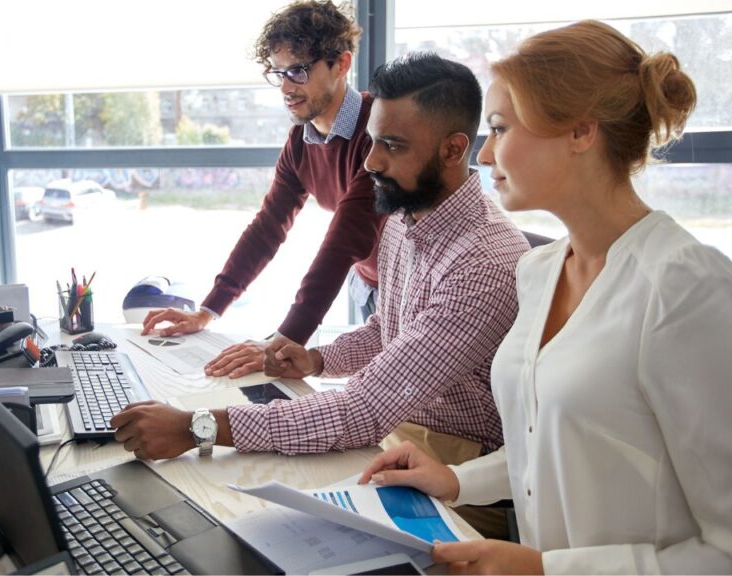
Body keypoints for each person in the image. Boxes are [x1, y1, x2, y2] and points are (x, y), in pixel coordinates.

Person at [358, 20, 732, 575]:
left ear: (581, 132)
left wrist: (546, 570)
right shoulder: (539, 270)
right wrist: (459, 479)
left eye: (501, 129)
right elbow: (549, 443)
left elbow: (724, 549)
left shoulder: (685, 288)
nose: (484, 157)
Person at [113, 53, 529, 470]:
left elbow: (363, 411)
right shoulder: (405, 218)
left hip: (457, 456)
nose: (371, 163)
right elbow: (387, 330)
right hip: (399, 425)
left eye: (393, 146)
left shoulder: (483, 264)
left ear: (453, 149)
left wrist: (194, 428)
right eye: (372, 141)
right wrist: (317, 359)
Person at [140, 0, 386, 379]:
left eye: (299, 71)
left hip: (414, 282)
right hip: (369, 282)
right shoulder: (301, 143)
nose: (287, 87)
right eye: (279, 73)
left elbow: (345, 240)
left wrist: (284, 341)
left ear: (342, 64)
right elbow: (267, 228)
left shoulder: (378, 131)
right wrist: (209, 309)